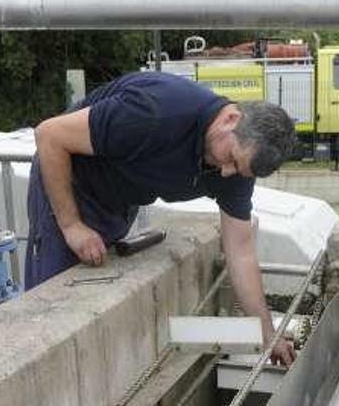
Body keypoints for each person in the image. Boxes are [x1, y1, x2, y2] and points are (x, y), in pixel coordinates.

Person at [25, 71, 298, 366]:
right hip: (68, 184)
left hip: (119, 198)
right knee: (52, 312)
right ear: (231, 119)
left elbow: (241, 252)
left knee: (92, 291)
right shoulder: (156, 111)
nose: (227, 173)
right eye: (231, 158)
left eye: (239, 171)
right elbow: (49, 135)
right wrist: (72, 225)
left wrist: (268, 333)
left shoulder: (236, 169)